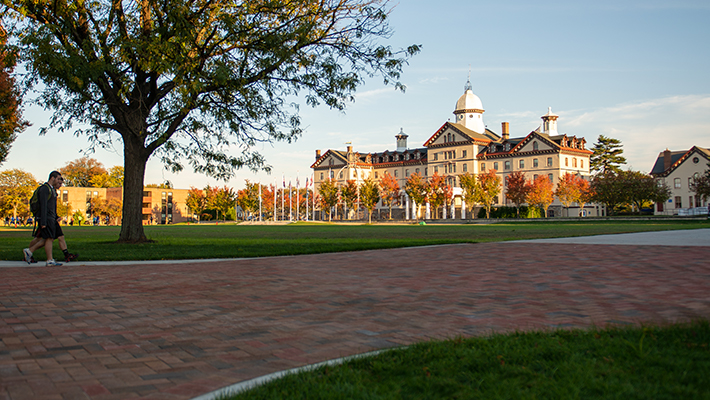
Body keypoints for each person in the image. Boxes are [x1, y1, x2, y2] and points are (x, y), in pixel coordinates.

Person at [23, 171, 78, 266]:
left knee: (49, 238)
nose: (59, 182)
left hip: (51, 218)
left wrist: (56, 216)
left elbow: (51, 206)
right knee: (48, 238)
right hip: (47, 218)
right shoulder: (45, 189)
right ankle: (43, 257)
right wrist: (43, 221)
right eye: (58, 179)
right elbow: (43, 205)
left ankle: (32, 253)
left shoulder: (52, 190)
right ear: (52, 178)